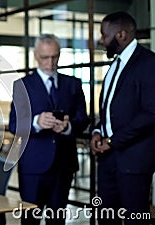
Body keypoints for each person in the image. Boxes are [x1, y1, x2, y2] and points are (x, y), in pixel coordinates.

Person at [9, 34, 89, 225]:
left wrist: (68, 126)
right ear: (36, 55)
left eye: (55, 56)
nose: (51, 62)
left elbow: (83, 119)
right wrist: (36, 122)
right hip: (33, 167)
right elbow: (14, 125)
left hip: (64, 165)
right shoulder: (22, 86)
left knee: (58, 220)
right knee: (30, 221)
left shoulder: (73, 84)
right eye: (45, 57)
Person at [90, 11, 155, 225]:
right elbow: (110, 110)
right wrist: (99, 131)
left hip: (134, 162)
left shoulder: (148, 63)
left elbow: (151, 113)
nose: (100, 40)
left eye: (104, 34)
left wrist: (112, 141)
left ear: (121, 34)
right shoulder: (115, 65)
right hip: (108, 160)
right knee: (106, 218)